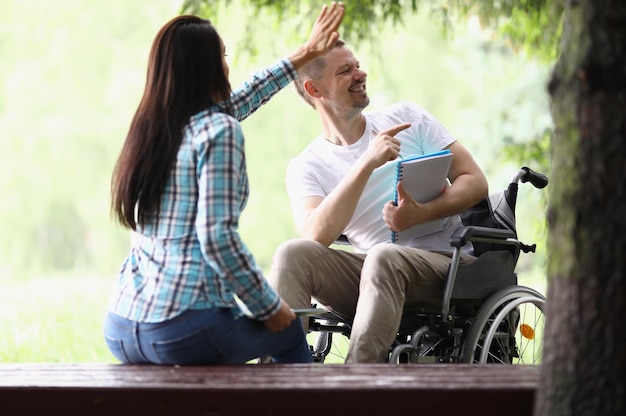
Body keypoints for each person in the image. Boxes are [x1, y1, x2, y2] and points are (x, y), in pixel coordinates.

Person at [103, 3, 345, 365]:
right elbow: (217, 239)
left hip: (122, 326)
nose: (228, 64)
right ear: (206, 68)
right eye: (223, 55)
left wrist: (306, 53)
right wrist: (268, 306)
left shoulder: (152, 130)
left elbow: (248, 94)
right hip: (181, 329)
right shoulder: (219, 132)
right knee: (290, 332)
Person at [268, 40, 489, 363]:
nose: (361, 74)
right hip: (370, 274)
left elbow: (475, 181)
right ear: (314, 90)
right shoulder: (307, 166)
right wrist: (366, 162)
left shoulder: (407, 118)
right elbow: (316, 235)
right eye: (346, 70)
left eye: (357, 65)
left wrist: (420, 213)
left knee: (383, 256)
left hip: (445, 267)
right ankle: (283, 385)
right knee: (292, 253)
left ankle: (356, 388)